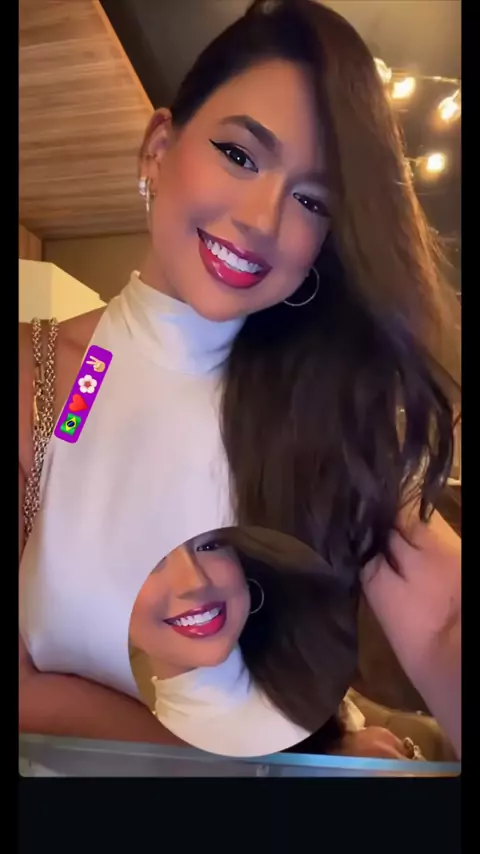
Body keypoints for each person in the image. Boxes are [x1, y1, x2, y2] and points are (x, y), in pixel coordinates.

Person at [19, 0, 461, 758]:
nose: (263, 217)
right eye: (240, 154)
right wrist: (268, 768)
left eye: (312, 199)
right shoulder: (42, 375)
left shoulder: (327, 406)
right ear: (160, 147)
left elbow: (445, 620)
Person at [129, 527, 357, 755]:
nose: (195, 582)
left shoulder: (312, 666)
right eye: (150, 560)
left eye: (209, 546)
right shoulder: (148, 751)